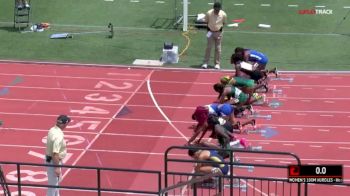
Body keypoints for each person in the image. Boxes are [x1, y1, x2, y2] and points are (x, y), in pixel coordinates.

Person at [46, 115, 71, 196]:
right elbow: (55, 153)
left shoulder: (52, 129)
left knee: (56, 183)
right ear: (64, 124)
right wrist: (57, 167)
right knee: (53, 185)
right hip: (54, 161)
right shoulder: (58, 136)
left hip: (50, 159)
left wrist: (63, 145)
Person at [201, 2, 227, 70]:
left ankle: (217, 64)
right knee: (209, 48)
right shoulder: (209, 13)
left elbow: (224, 23)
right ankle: (205, 63)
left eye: (218, 10)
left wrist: (219, 29)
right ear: (214, 8)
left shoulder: (223, 14)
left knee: (218, 49)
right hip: (210, 32)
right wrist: (210, 29)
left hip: (219, 33)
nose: (217, 11)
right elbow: (206, 21)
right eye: (216, 9)